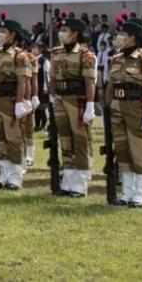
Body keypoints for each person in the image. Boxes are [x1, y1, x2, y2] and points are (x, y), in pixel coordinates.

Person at [107, 19, 142, 207]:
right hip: (118, 107)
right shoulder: (116, 59)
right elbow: (111, 85)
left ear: (133, 38)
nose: (119, 37)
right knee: (122, 150)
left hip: (136, 108)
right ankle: (127, 191)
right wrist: (106, 106)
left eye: (124, 34)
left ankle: (140, 193)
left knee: (138, 150)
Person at [47, 18, 98, 197]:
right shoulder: (56, 53)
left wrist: (90, 105)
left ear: (75, 33)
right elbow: (52, 76)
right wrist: (52, 96)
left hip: (78, 100)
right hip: (61, 99)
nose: (61, 33)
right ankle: (68, 180)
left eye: (65, 29)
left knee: (80, 141)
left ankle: (80, 183)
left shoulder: (86, 55)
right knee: (65, 140)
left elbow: (90, 81)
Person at [0, 20, 33, 190]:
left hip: (11, 100)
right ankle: (4, 174)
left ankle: (15, 176)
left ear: (12, 35)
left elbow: (23, 81)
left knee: (14, 139)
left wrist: (21, 102)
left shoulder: (20, 55)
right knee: (0, 138)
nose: (0, 34)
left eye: (3, 31)